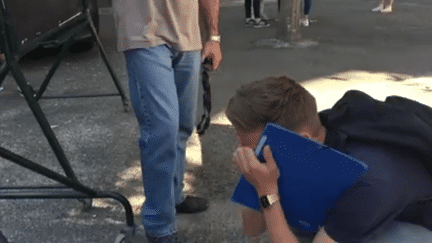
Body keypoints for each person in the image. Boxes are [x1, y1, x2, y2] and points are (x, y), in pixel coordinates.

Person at [226, 76, 432, 243]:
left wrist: (267, 192)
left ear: (302, 139)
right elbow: (251, 229)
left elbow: (268, 206)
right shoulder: (314, 137)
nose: (250, 155)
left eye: (257, 149)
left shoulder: (368, 183)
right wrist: (257, 179)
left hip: (416, 227)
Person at [113, 1, 222, 242]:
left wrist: (213, 36)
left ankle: (173, 195)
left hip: (188, 35)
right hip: (143, 33)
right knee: (162, 129)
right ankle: (159, 225)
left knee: (183, 126)